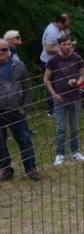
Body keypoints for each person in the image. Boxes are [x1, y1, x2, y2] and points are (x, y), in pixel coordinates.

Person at [44, 34, 84, 165]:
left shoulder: (77, 58)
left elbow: (83, 74)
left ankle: (75, 152)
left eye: (69, 44)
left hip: (75, 97)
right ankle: (59, 154)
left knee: (75, 127)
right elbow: (46, 79)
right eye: (64, 44)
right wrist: (53, 94)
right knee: (61, 128)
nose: (67, 46)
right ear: (59, 46)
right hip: (59, 99)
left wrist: (78, 82)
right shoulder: (53, 60)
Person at [0, 39, 40, 182]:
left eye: (4, 49)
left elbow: (28, 88)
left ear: (9, 50)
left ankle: (31, 168)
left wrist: (25, 107)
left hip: (17, 111)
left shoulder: (19, 66)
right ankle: (5, 170)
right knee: (0, 143)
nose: (1, 53)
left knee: (24, 139)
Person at [40, 13, 70, 116]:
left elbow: (64, 39)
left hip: (57, 61)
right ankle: (52, 110)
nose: (69, 24)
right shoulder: (52, 31)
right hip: (48, 62)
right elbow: (48, 49)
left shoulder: (59, 29)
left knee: (59, 83)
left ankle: (61, 105)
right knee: (51, 84)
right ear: (61, 22)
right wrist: (62, 50)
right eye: (67, 22)